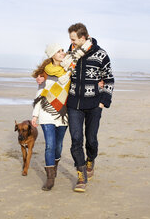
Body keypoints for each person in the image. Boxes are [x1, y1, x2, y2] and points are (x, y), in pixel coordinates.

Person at [37, 23, 114, 192]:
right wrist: (42, 77)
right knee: (76, 141)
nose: (70, 42)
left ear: (82, 38)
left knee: (91, 140)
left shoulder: (101, 55)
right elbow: (55, 68)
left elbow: (109, 79)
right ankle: (81, 176)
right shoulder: (70, 55)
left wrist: (103, 102)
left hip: (94, 104)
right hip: (73, 105)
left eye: (73, 39)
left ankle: (90, 160)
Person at [31, 41, 93, 191]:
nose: (62, 53)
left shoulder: (69, 69)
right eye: (59, 51)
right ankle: (50, 178)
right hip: (47, 111)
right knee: (50, 145)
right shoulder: (46, 72)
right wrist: (35, 115)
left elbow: (79, 55)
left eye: (62, 50)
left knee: (58, 146)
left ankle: (55, 166)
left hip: (63, 113)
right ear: (53, 55)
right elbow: (40, 93)